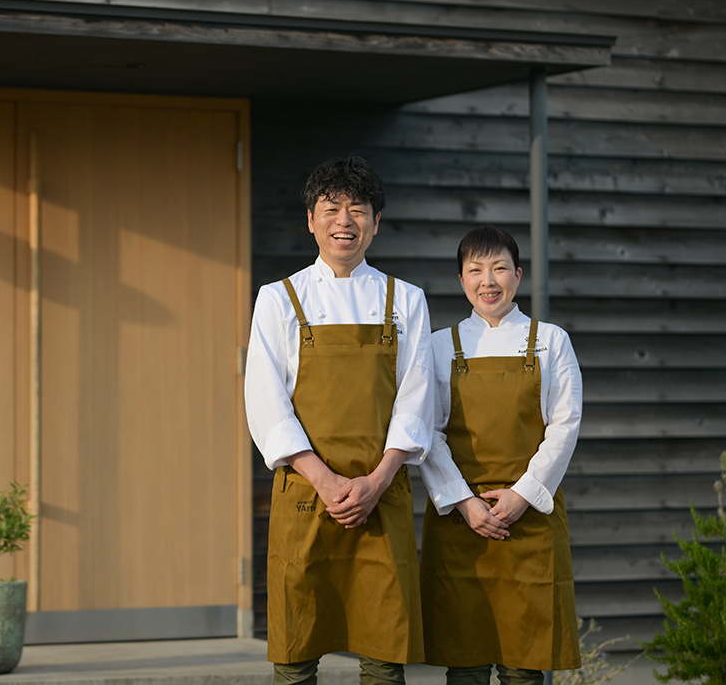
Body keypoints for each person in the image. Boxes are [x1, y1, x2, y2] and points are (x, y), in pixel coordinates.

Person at [245, 156, 434, 685]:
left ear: (377, 222)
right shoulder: (278, 299)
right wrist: (324, 479)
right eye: (331, 208)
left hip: (383, 491)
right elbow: (265, 400)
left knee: (384, 655)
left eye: (358, 209)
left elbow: (417, 398)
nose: (344, 220)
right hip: (306, 493)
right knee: (296, 653)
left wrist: (377, 479)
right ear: (311, 220)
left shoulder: (407, 300)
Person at [418, 226, 582, 685]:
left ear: (518, 275)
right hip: (460, 524)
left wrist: (522, 496)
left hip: (528, 521)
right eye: (476, 270)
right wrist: (466, 502)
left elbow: (564, 426)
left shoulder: (551, 341)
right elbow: (426, 433)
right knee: (464, 666)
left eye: (499, 268)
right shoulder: (437, 346)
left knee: (524, 666)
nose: (488, 280)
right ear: (461, 279)